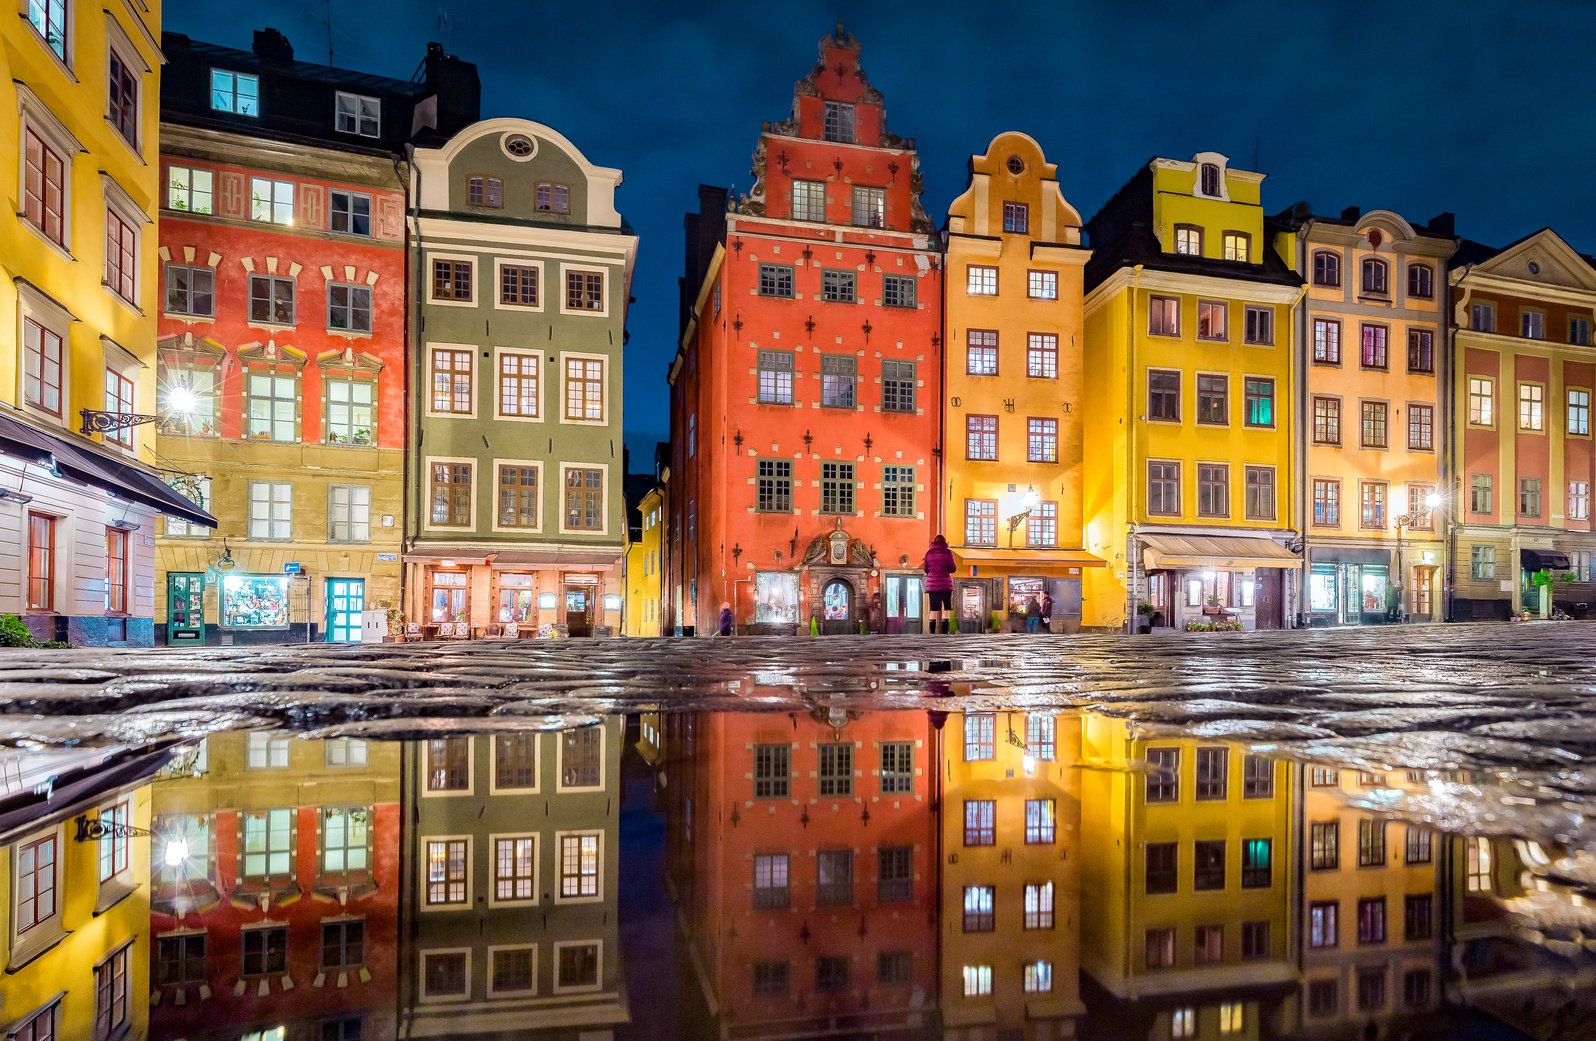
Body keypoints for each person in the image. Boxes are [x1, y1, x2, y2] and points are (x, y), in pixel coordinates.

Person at [922, 535, 956, 634]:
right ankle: (944, 633)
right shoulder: (948, 553)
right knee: (945, 609)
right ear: (945, 542)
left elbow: (925, 569)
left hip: (932, 585)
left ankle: (932, 633)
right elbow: (953, 569)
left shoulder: (929, 553)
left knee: (933, 609)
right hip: (945, 584)